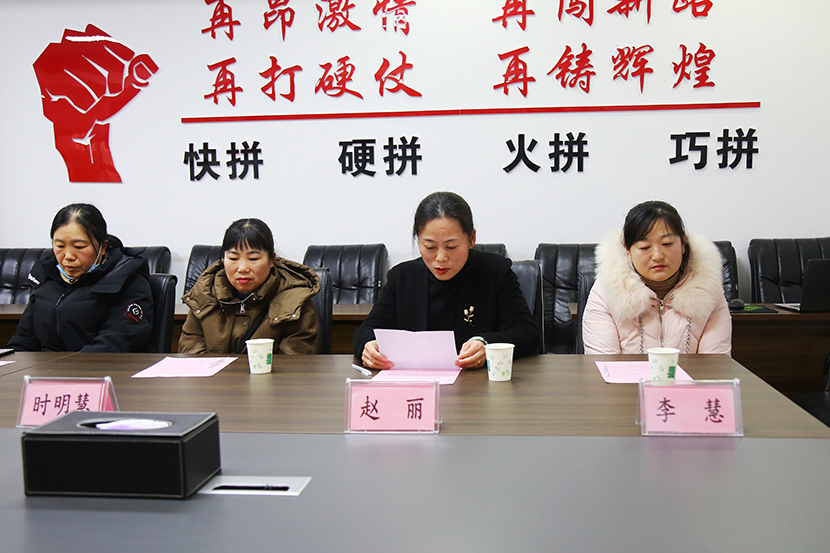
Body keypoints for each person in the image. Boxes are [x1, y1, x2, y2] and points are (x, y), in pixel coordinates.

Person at [353, 191, 539, 369]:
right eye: (430, 247)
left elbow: (527, 332)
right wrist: (368, 346)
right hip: (418, 382)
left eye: (451, 247)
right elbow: (366, 331)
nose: (441, 258)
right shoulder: (402, 278)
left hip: (477, 384)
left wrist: (486, 344)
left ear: (471, 239)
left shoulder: (495, 272)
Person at [582, 200, 731, 354]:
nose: (657, 256)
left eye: (667, 244)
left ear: (683, 244)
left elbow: (715, 363)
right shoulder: (606, 293)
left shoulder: (709, 291)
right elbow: (604, 363)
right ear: (628, 250)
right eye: (645, 247)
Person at [8, 203, 153, 352]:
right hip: (46, 366)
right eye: (60, 246)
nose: (68, 256)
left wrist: (63, 366)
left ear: (102, 247)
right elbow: (25, 340)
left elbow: (116, 343)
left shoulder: (127, 279)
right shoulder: (45, 276)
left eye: (79, 247)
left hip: (96, 365)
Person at [179, 218, 321, 355]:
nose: (242, 268)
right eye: (233, 258)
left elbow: (293, 363)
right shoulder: (204, 296)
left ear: (271, 260)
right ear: (223, 259)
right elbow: (191, 356)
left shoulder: (295, 303)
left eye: (253, 259)